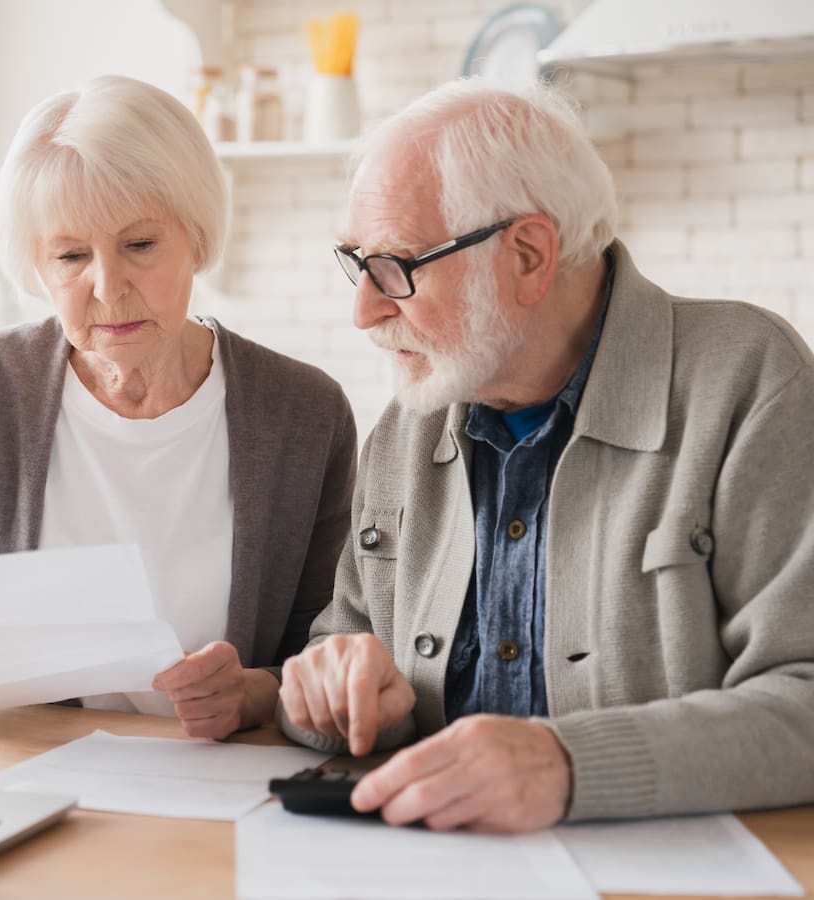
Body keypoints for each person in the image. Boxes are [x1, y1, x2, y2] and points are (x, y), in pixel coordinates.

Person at [278, 76, 814, 830]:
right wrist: (333, 695)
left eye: (397, 266)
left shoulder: (751, 379)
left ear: (528, 255)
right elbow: (343, 651)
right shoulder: (409, 421)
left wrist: (568, 766)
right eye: (357, 262)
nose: (364, 309)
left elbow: (805, 696)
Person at [0, 75, 356, 741]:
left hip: (220, 775)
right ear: (37, 267)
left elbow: (331, 650)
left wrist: (254, 693)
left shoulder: (305, 414)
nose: (108, 287)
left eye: (140, 245)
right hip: (24, 770)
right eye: (72, 256)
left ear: (195, 234)